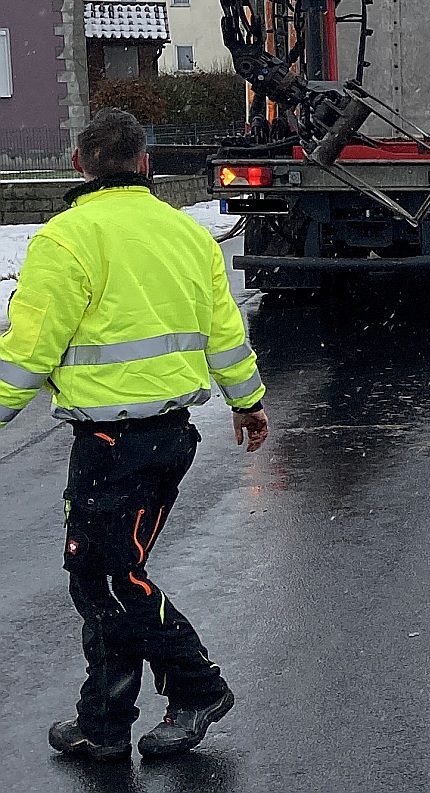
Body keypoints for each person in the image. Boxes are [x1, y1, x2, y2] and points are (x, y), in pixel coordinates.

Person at [0, 109, 270, 763]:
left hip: (112, 445)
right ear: (144, 162)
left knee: (106, 579)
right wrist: (248, 400)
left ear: (78, 164)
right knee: (111, 571)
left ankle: (198, 687)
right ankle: (105, 720)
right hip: (171, 436)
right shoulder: (188, 237)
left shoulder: (65, 240)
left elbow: (27, 355)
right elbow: (225, 332)